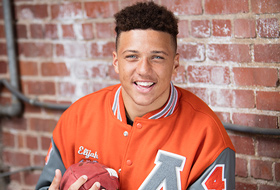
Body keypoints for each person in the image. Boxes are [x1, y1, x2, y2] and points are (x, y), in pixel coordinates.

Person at [36, 1, 235, 190]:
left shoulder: (208, 136)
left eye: (157, 57)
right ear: (116, 62)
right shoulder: (77, 117)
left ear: (175, 64)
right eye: (132, 56)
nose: (143, 70)